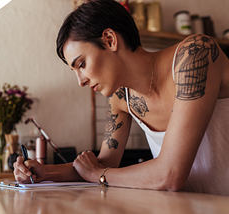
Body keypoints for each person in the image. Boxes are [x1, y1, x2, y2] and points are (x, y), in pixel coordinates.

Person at [14, 0, 229, 196]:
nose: (80, 81)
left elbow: (169, 175)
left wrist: (98, 174)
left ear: (109, 40)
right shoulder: (121, 97)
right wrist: (44, 172)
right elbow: (103, 164)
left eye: (81, 64)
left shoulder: (196, 55)